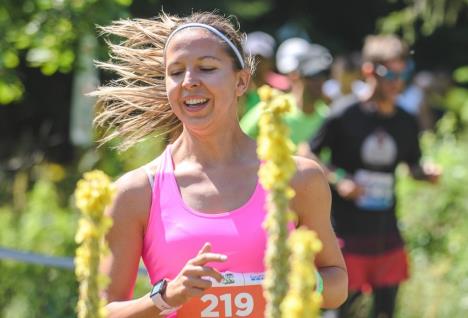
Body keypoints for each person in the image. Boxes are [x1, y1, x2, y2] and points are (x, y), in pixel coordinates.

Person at [92, 11, 347, 317]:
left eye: (207, 68)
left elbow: (337, 286)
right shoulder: (134, 193)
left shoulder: (298, 177)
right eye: (175, 72)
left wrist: (305, 282)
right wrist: (166, 296)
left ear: (241, 82)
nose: (189, 82)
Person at [307, 35, 441, 318]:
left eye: (404, 72)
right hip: (345, 235)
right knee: (341, 311)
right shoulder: (344, 113)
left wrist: (425, 173)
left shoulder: (406, 120)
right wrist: (340, 178)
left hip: (386, 234)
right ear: (369, 71)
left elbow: (412, 165)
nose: (398, 81)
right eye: (390, 73)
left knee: (385, 313)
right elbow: (308, 153)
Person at [241, 37, 332, 146]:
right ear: (296, 76)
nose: (319, 82)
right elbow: (237, 139)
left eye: (324, 75)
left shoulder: (327, 117)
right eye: (313, 76)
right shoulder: (274, 108)